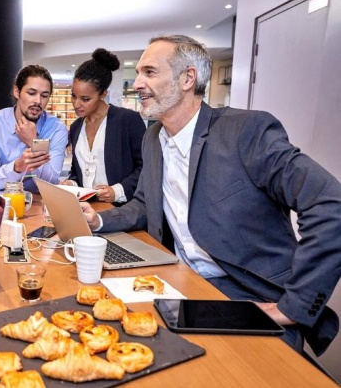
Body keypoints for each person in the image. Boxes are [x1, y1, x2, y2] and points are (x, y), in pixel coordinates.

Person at [81, 35, 341, 356]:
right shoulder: (153, 138)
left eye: (150, 72)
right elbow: (144, 205)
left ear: (187, 78)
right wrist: (96, 219)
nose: (137, 83)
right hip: (183, 283)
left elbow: (331, 206)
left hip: (249, 295)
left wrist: (295, 305)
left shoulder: (246, 131)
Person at [60, 48, 145, 205]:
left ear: (103, 94)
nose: (76, 104)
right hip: (87, 209)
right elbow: (78, 171)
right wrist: (71, 184)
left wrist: (117, 191)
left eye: (85, 99)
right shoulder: (76, 127)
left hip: (122, 210)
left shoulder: (128, 120)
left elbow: (146, 167)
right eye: (73, 95)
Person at [0, 65, 68, 192]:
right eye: (31, 93)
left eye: (44, 95)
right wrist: (17, 167)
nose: (38, 101)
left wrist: (34, 142)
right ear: (17, 92)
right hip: (3, 202)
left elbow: (52, 182)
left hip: (41, 203)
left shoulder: (57, 128)